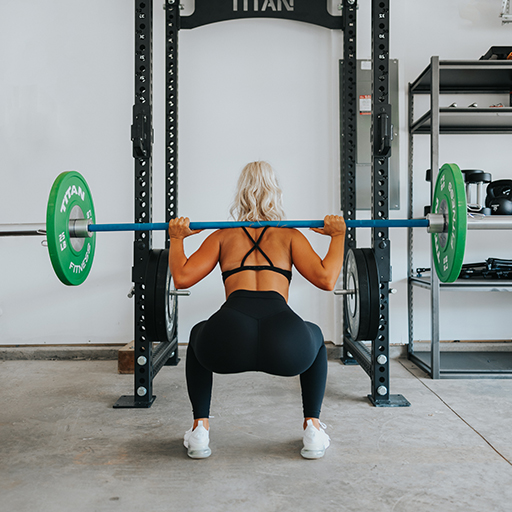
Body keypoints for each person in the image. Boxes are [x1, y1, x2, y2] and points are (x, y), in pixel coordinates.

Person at [168, 161, 346, 459]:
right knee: (314, 336)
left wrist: (176, 238)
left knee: (199, 333)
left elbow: (182, 278)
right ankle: (313, 428)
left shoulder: (222, 236)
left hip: (228, 341)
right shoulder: (290, 236)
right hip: (285, 347)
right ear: (275, 193)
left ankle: (200, 430)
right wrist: (338, 236)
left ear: (240, 193)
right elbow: (327, 279)